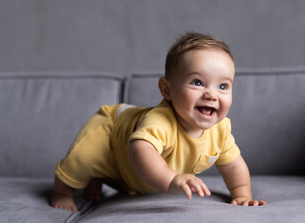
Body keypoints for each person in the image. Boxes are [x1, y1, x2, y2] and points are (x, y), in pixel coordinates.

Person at [50, 32, 266, 212]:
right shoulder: (160, 120)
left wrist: (242, 194)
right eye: (198, 82)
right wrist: (172, 179)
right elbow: (140, 153)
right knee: (84, 159)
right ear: (167, 90)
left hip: (132, 173)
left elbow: (233, 166)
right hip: (111, 128)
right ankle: (63, 191)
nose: (212, 95)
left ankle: (99, 178)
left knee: (130, 181)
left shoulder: (221, 129)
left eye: (223, 86)